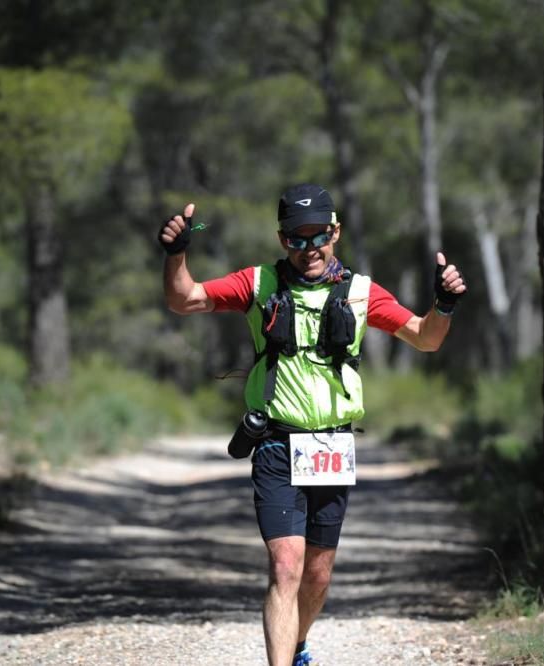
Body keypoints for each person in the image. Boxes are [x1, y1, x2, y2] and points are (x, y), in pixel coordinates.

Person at [159, 184, 466, 666]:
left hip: (331, 448)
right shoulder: (258, 284)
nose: (309, 249)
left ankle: (298, 645)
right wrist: (177, 255)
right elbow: (185, 300)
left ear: (335, 232)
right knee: (286, 566)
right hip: (277, 445)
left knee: (317, 575)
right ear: (283, 240)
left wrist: (443, 304)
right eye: (296, 240)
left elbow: (426, 339)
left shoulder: (361, 292)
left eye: (318, 237)